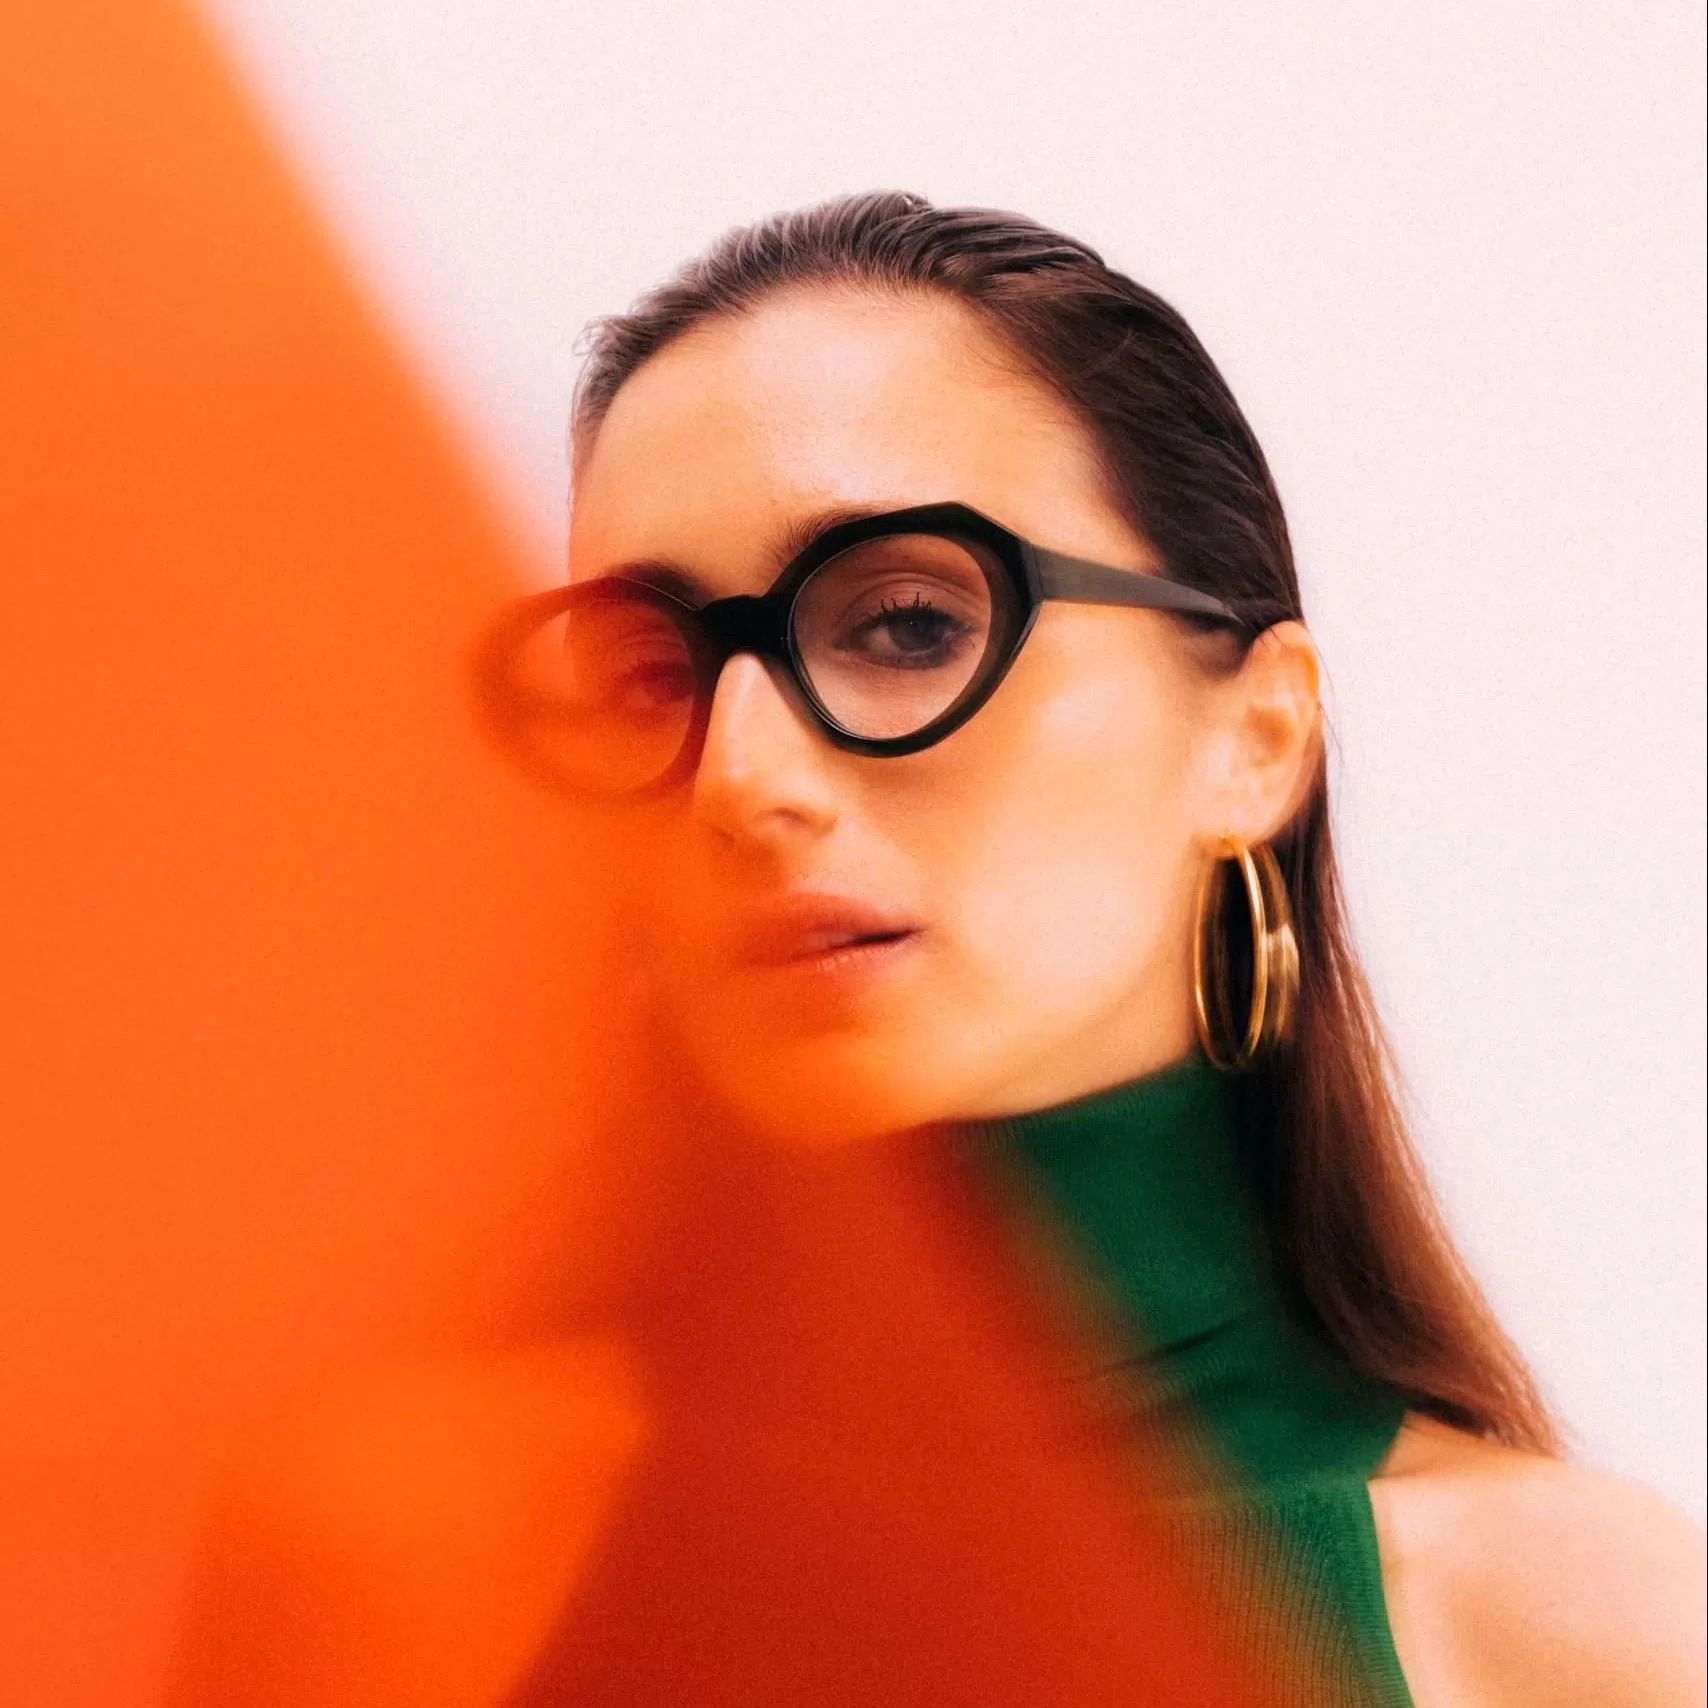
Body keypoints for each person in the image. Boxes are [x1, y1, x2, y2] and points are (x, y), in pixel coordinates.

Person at [168, 193, 1705, 1708]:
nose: (741, 779)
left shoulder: (1580, 1629)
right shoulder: (411, 1563)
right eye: (651, 679)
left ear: (1255, 738)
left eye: (906, 624)